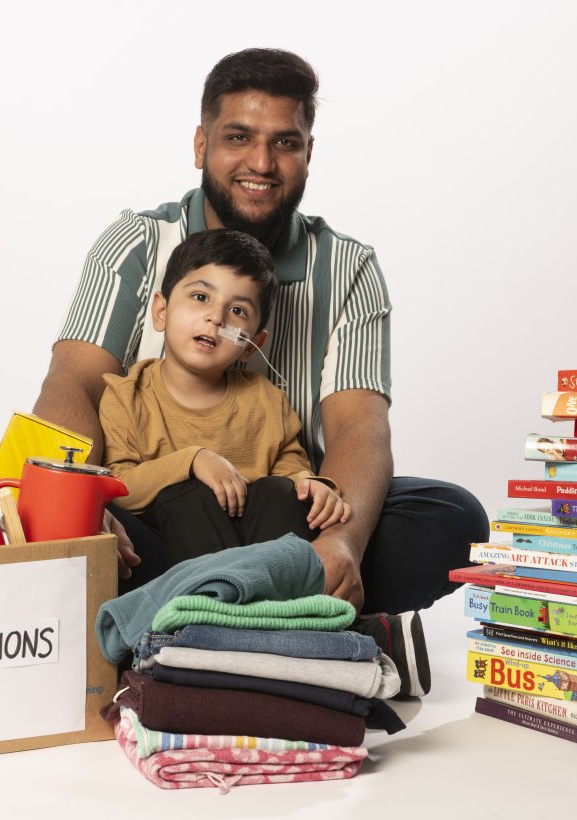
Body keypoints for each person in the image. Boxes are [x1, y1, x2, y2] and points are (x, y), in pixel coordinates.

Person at [34, 48, 489, 694]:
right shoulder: (136, 242)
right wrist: (78, 505)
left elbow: (360, 430)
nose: (261, 163)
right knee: (95, 534)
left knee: (452, 519)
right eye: (238, 138)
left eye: (286, 143)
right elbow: (71, 382)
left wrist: (343, 545)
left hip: (283, 517)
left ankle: (206, 626)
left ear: (308, 153)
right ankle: (294, 624)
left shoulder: (347, 268)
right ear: (200, 144)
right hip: (154, 519)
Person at [99, 229, 350, 567]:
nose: (216, 318)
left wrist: (310, 485)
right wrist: (192, 460)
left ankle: (271, 604)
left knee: (281, 494)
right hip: (174, 547)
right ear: (161, 311)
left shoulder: (266, 400)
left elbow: (289, 466)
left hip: (255, 536)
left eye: (237, 311)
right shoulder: (125, 395)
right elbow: (119, 483)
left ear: (250, 344)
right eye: (201, 297)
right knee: (187, 498)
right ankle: (216, 602)